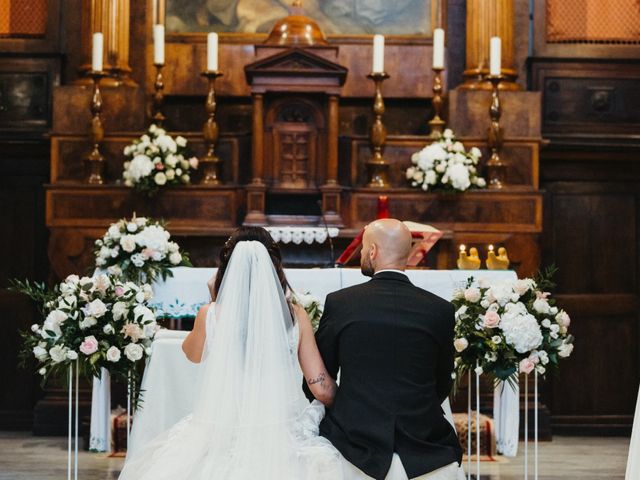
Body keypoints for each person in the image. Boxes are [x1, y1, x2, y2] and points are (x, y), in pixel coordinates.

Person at [119, 226, 343, 480]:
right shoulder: (296, 316)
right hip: (278, 433)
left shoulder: (211, 313)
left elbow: (192, 354)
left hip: (221, 429)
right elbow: (320, 386)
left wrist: (216, 299)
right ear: (274, 266)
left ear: (227, 266)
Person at [305, 218, 463, 480]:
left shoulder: (341, 303)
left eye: (364, 248)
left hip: (355, 435)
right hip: (423, 437)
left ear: (373, 251)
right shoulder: (440, 309)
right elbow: (441, 383)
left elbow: (323, 374)